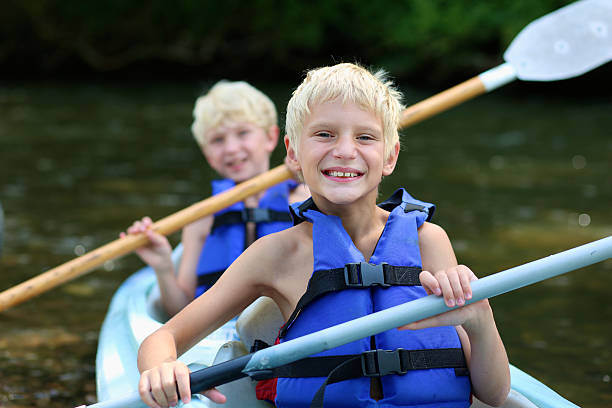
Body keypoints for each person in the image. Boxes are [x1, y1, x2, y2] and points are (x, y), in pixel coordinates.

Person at [136, 63, 511, 408]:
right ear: (293, 153)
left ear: (390, 156)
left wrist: (481, 318)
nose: (345, 151)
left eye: (365, 137)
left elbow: (494, 394)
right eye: (324, 134)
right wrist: (161, 368)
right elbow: (161, 339)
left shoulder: (429, 241)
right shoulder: (276, 255)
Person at [122, 80, 309, 317]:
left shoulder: (306, 196)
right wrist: (163, 266)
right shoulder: (200, 219)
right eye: (218, 140)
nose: (231, 148)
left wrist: (310, 174)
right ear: (208, 154)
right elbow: (181, 312)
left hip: (289, 324)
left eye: (243, 133)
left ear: (271, 138)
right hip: (218, 334)